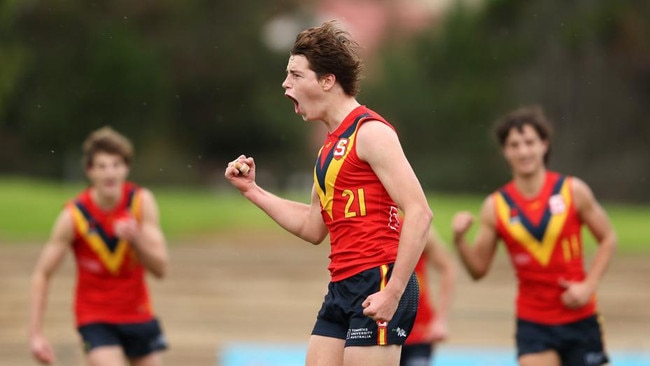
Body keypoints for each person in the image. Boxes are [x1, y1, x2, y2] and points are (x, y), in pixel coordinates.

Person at [224, 20, 433, 366]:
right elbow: (312, 227)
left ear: (327, 80)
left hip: (378, 278)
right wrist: (252, 190)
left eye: (295, 75)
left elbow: (420, 213)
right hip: (341, 286)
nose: (285, 83)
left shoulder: (371, 133)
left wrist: (393, 292)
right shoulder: (327, 150)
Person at [451, 106, 617, 366]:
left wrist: (588, 285)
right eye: (514, 145)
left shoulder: (573, 190)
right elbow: (478, 270)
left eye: (529, 142)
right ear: (505, 152)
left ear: (544, 144)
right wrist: (460, 240)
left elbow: (608, 238)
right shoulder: (496, 207)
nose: (523, 151)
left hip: (580, 319)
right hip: (534, 324)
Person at [29, 126, 169, 366]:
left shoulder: (141, 202)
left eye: (116, 165)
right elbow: (42, 273)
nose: (110, 174)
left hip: (138, 313)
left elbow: (160, 269)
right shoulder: (74, 216)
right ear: (89, 170)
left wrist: (135, 238)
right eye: (102, 166)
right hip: (95, 318)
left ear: (126, 167)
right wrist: (36, 335)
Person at [400, 227, 456, 366]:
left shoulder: (416, 228)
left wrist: (440, 319)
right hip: (377, 330)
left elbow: (448, 268)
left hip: (419, 331)